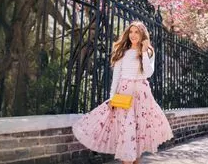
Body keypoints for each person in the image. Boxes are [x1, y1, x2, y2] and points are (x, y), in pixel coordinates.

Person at [72, 21, 173, 164]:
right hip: (124, 95)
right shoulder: (122, 52)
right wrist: (112, 98)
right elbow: (116, 77)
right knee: (127, 133)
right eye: (131, 32)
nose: (133, 35)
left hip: (142, 96)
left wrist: (144, 52)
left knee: (138, 136)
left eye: (136, 32)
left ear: (142, 34)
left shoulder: (148, 52)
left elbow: (148, 73)